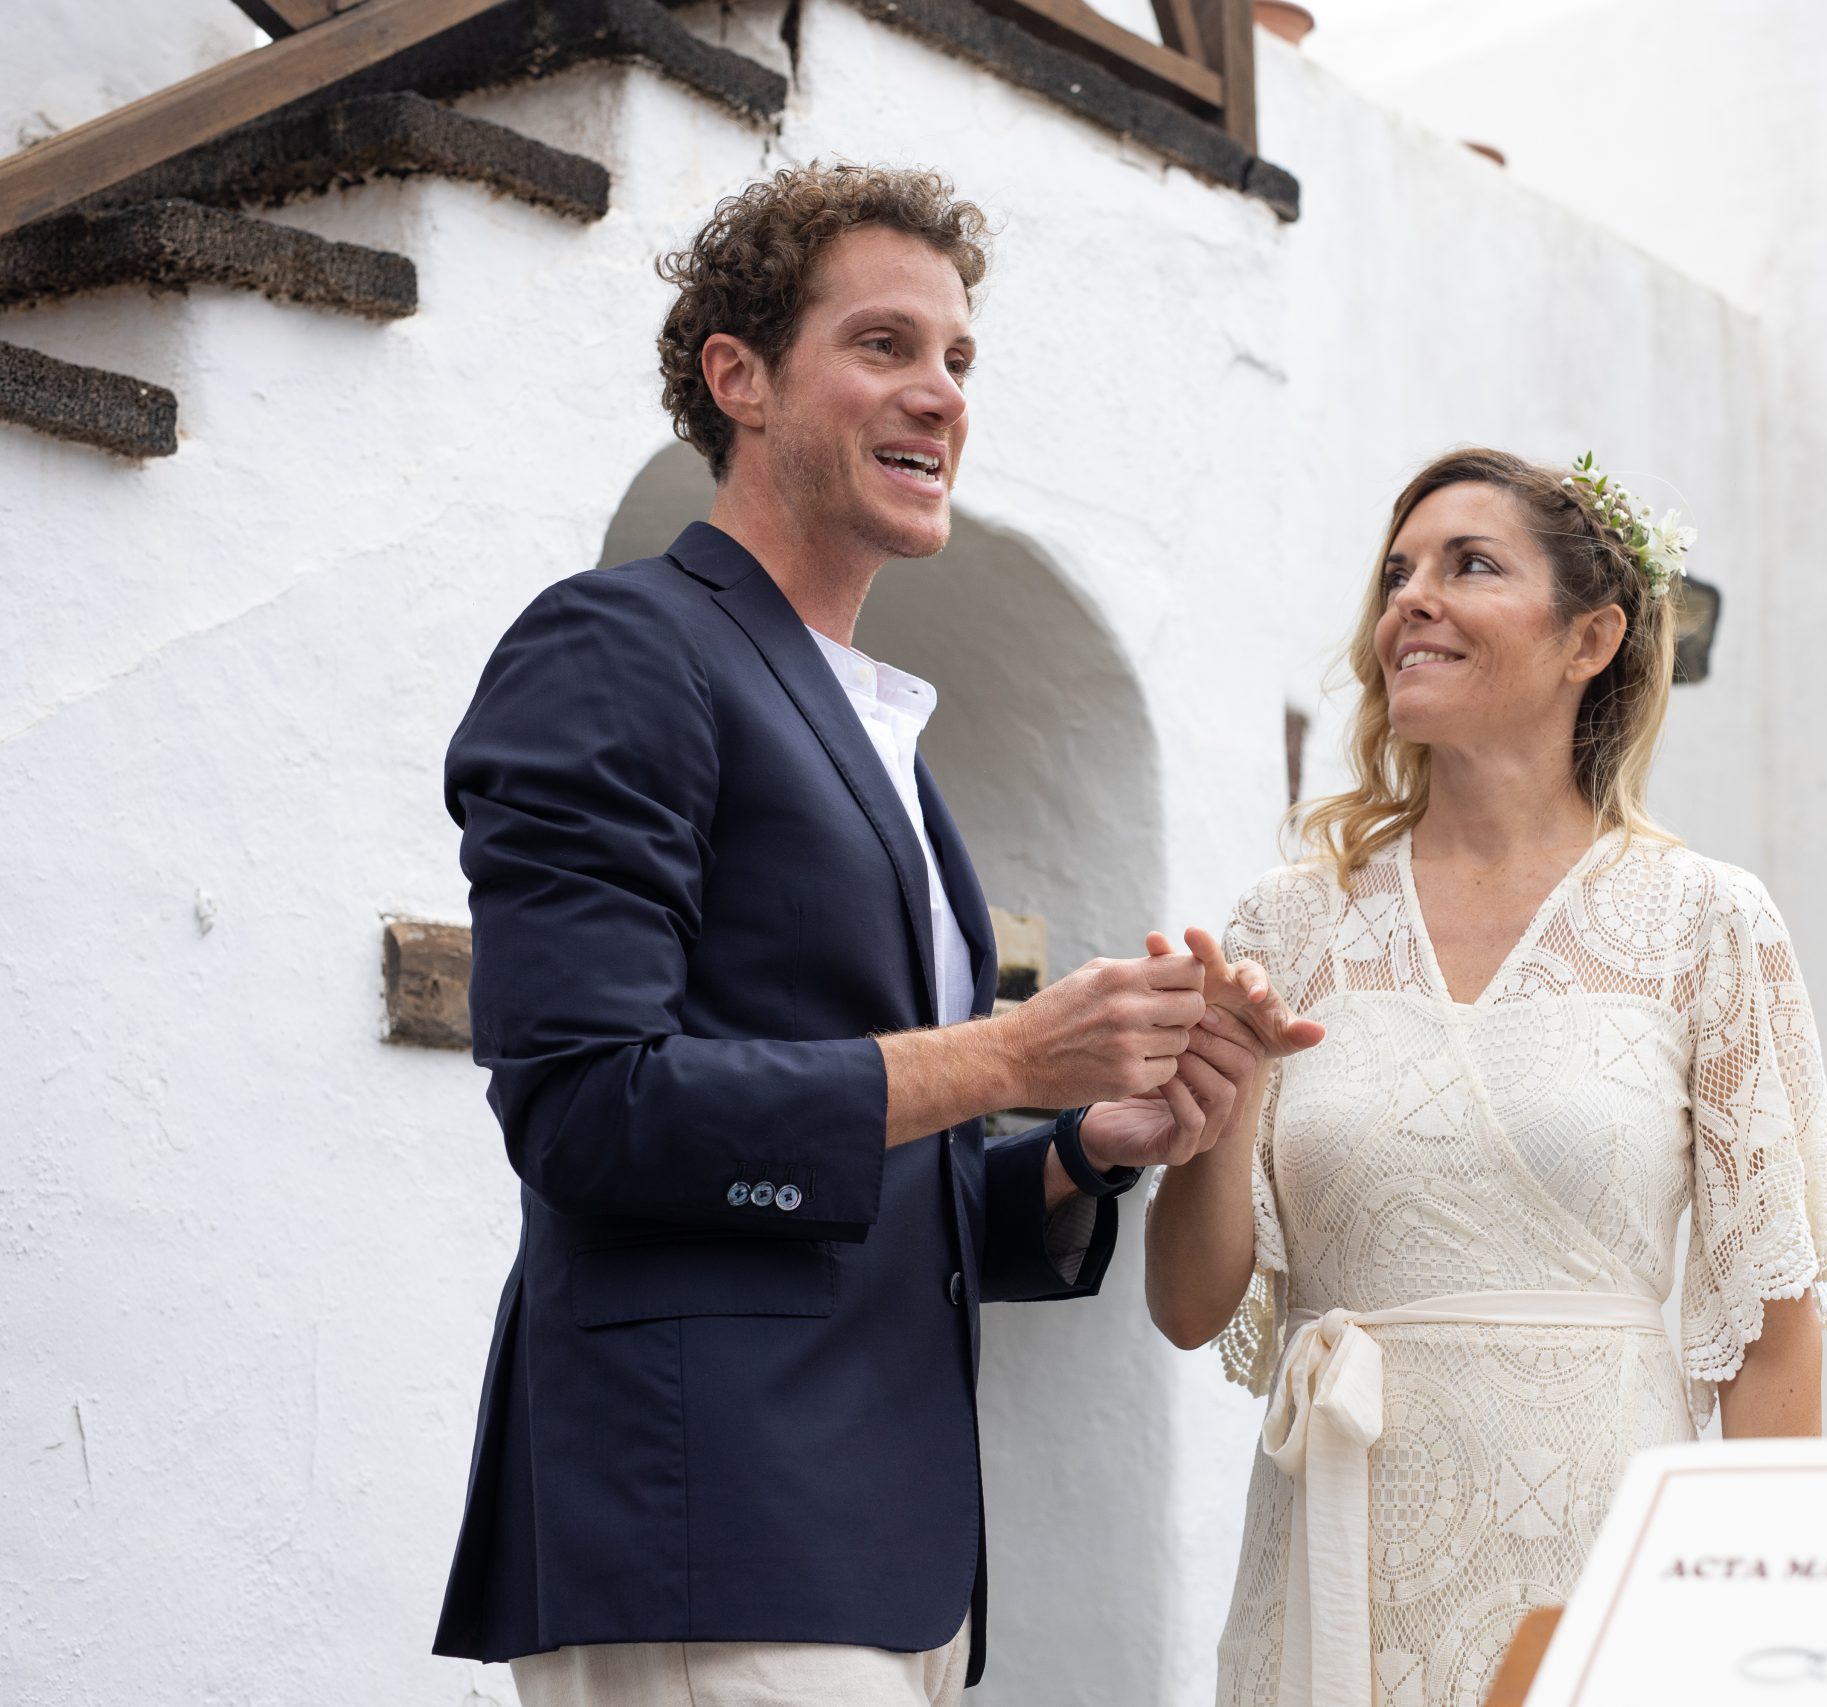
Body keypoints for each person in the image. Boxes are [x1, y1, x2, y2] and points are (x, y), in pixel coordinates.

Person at [428, 164, 1259, 1707]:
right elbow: (588, 1104)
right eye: (884, 344)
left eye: (958, 358)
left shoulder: (875, 732)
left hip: (887, 1556)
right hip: (712, 1527)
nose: (941, 393)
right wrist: (1007, 1053)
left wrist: (1084, 1146)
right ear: (737, 377)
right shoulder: (620, 644)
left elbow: (879, 1202)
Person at [1146, 447, 1827, 1707]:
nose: (1411, 600)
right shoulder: (1284, 924)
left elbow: (1769, 1324)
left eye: (1468, 565)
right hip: (1332, 1562)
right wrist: (1225, 1092)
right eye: (1396, 574)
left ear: (1591, 637)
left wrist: (1776, 1646)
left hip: (1601, 1563)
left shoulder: (1704, 921)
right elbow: (1192, 1307)